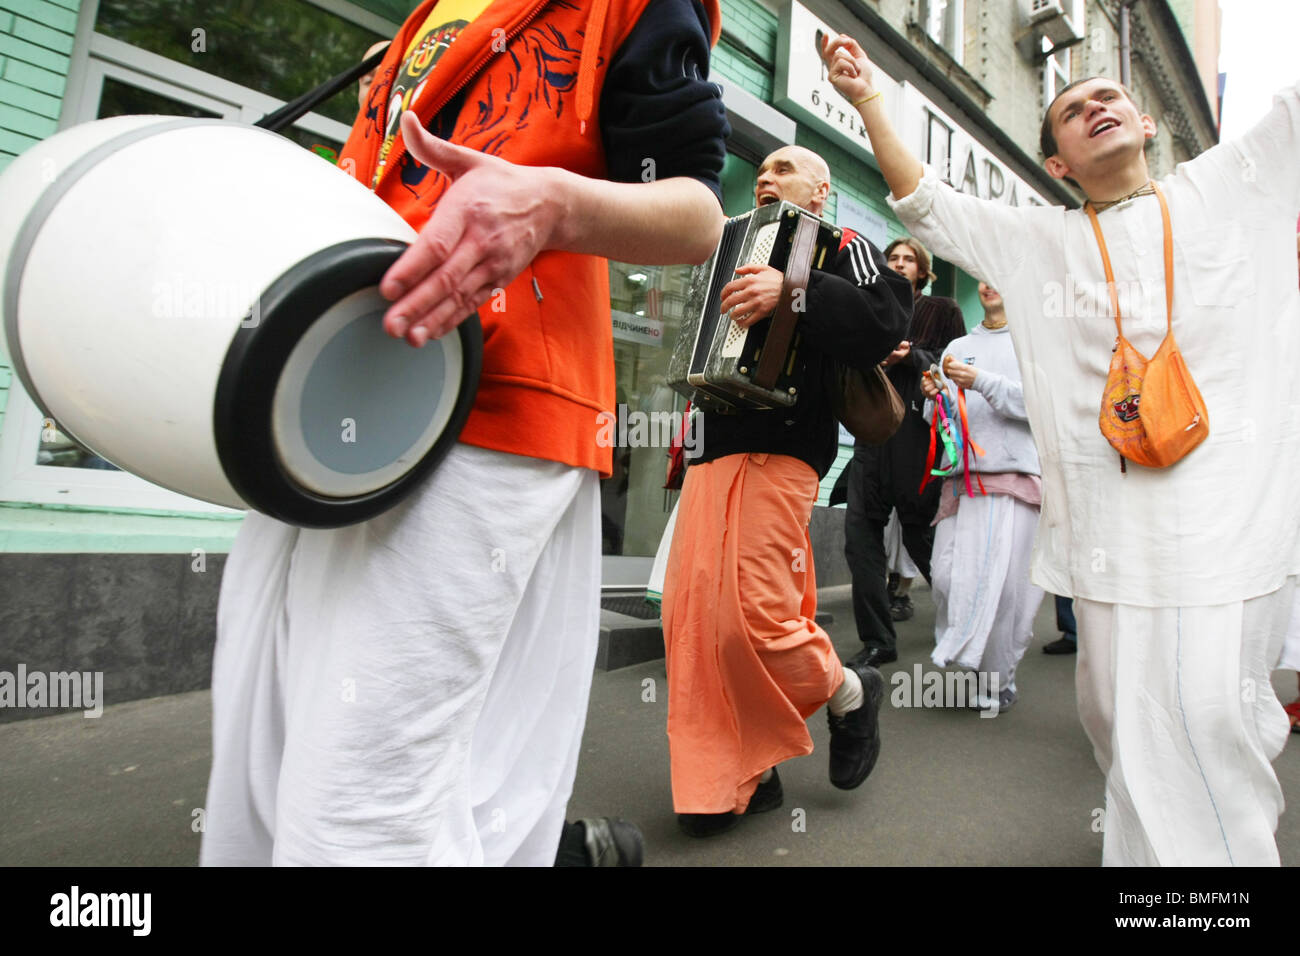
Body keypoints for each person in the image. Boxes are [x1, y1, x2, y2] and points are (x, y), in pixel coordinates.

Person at [201, 0, 729, 867]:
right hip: (331, 400)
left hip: (488, 409)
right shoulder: (421, 17)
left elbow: (696, 212)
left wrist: (551, 206)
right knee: (265, 770)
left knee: (357, 811)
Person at [820, 34, 1300, 865]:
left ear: (1148, 123)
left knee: (1202, 712)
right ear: (1059, 162)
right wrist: (868, 101)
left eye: (1110, 97)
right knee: (1116, 712)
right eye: (1073, 111)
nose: (1096, 108)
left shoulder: (1226, 186)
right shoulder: (1040, 240)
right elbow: (926, 203)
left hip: (1222, 517)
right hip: (1110, 526)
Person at [662, 145, 912, 837]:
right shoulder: (732, 241)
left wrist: (793, 293)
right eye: (762, 169)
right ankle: (734, 779)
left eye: (783, 168)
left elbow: (886, 321)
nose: (767, 177)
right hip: (712, 447)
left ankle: (850, 692)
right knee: (692, 626)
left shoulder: (842, 245)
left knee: (753, 616)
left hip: (782, 446)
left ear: (821, 189)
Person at [836, 236, 965, 667]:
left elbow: (955, 362)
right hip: (871, 429)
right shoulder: (872, 301)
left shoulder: (942, 310)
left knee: (919, 533)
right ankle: (878, 641)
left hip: (917, 431)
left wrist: (913, 357)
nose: (900, 264)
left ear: (923, 271)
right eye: (893, 258)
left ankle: (966, 624)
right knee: (861, 535)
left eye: (909, 259)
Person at [921, 283, 1043, 713]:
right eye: (982, 274)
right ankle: (963, 655)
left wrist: (982, 381)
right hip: (961, 480)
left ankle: (998, 681)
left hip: (1013, 478)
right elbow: (941, 417)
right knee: (946, 578)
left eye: (999, 273)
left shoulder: (1036, 340)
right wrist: (935, 399)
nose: (989, 282)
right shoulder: (958, 345)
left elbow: (1043, 406)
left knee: (1007, 590)